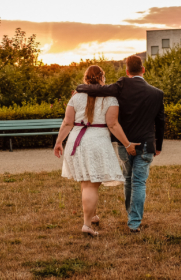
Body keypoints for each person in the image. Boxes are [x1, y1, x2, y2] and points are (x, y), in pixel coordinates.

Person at [76, 55, 165, 233]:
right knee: (139, 182)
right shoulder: (157, 93)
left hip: (126, 144)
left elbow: (99, 90)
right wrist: (159, 145)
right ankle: (134, 222)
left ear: (126, 71)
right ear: (143, 70)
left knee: (129, 180)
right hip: (147, 144)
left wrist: (80, 87)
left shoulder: (122, 85)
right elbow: (160, 121)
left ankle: (130, 214)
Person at [54, 65, 139, 237]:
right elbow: (113, 125)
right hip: (97, 142)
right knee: (91, 184)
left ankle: (92, 216)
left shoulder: (76, 97)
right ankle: (86, 224)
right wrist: (127, 144)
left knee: (86, 181)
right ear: (102, 78)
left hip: (76, 142)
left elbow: (67, 122)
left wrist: (58, 142)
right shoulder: (111, 99)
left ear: (86, 79)